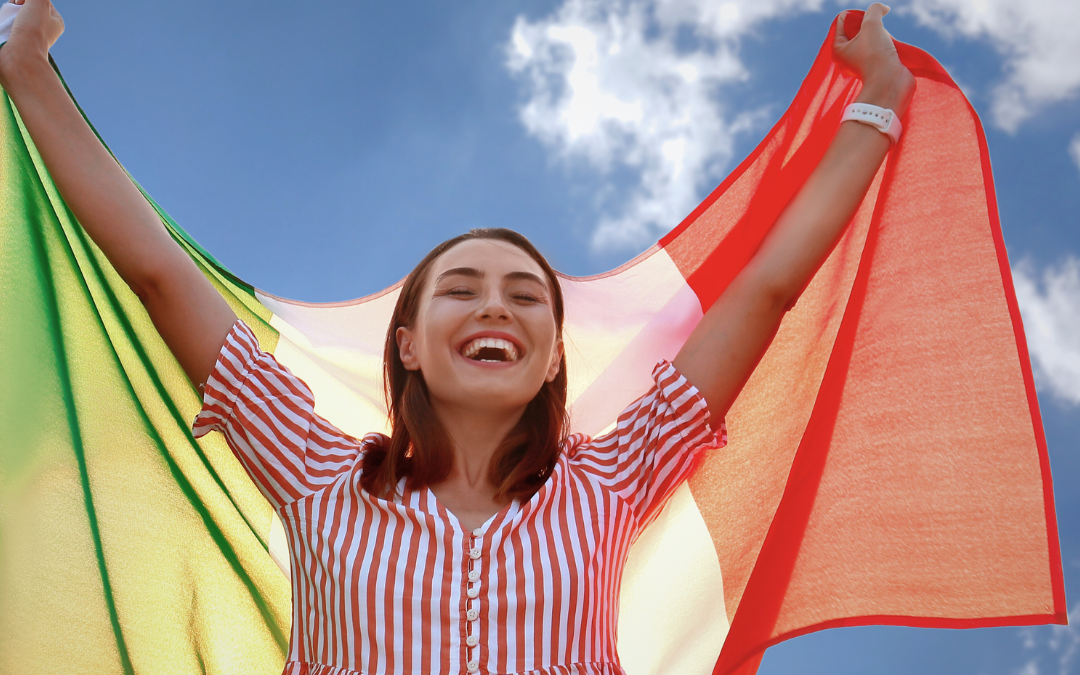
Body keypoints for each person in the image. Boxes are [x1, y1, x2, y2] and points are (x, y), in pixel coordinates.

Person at [0, 1, 916, 673]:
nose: (496, 307)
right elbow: (157, 269)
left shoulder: (613, 477)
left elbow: (766, 287)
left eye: (527, 297)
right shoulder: (314, 468)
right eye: (462, 290)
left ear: (555, 354)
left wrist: (879, 99)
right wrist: (28, 65)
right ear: (407, 343)